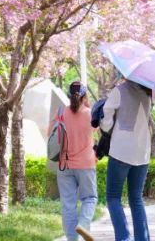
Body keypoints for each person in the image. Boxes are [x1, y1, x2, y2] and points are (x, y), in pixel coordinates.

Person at [101, 78, 154, 241]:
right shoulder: (149, 94)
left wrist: (106, 122)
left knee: (113, 197)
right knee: (136, 198)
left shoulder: (120, 91)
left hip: (121, 152)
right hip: (142, 153)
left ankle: (124, 238)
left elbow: (106, 123)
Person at [50, 81, 98, 241]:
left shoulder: (61, 112)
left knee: (68, 205)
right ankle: (83, 225)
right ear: (84, 96)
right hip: (86, 164)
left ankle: (72, 239)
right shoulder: (90, 113)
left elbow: (51, 133)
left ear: (69, 96)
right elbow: (97, 131)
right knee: (89, 198)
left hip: (64, 165)